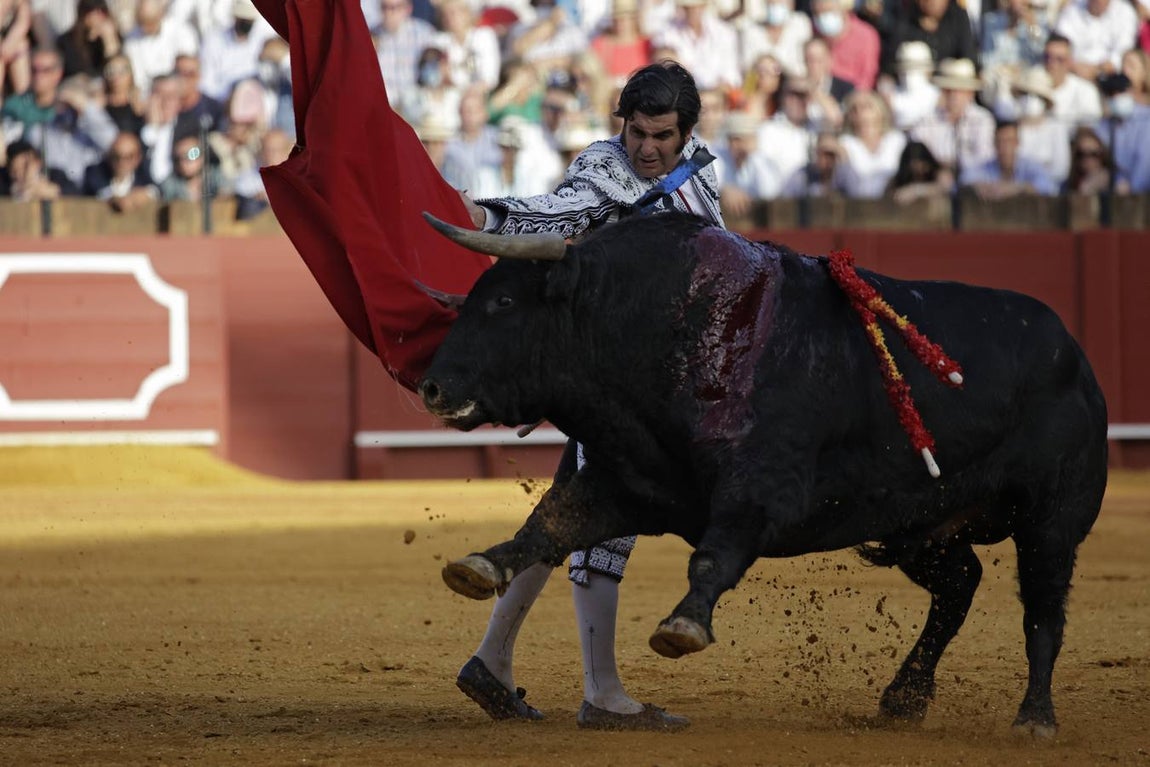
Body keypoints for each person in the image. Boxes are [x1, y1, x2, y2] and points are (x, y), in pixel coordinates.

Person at [456, 61, 721, 731]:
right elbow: (554, 213)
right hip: (614, 389)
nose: (646, 148)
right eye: (637, 132)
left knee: (567, 515)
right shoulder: (603, 169)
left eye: (662, 135)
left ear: (686, 133)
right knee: (603, 521)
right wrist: (485, 213)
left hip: (663, 389)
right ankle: (601, 692)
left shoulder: (701, 177)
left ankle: (491, 658)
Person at [959, 118, 1058, 198]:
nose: (1005, 147)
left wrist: (1017, 189)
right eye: (1001, 141)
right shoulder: (985, 167)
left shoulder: (1030, 166)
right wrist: (987, 188)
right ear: (994, 144)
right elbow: (965, 181)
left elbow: (1049, 187)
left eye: (1009, 141)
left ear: (1017, 143)